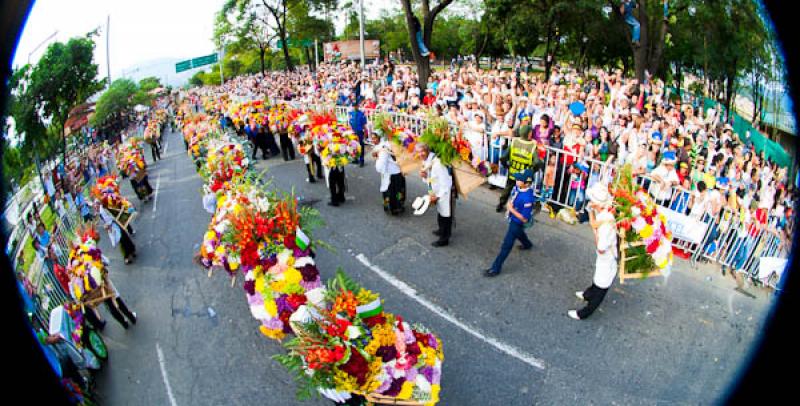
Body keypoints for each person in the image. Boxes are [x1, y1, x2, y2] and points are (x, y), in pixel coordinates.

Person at [569, 184, 618, 320]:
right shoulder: (603, 212)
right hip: (603, 259)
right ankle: (588, 294)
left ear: (598, 204)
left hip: (607, 259)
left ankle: (584, 313)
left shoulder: (606, 225)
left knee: (601, 285)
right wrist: (590, 211)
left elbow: (601, 248)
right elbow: (594, 222)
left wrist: (595, 232)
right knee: (597, 278)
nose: (589, 201)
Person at [484, 169, 535, 277]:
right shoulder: (519, 187)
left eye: (519, 179)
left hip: (516, 222)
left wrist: (511, 209)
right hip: (513, 218)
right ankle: (527, 244)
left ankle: (495, 268)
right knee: (520, 233)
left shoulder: (528, 199)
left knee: (506, 245)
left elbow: (524, 219)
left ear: (527, 183)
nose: (516, 180)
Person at [417, 142, 453, 247]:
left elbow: (446, 183)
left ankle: (444, 239)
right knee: (440, 211)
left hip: (443, 193)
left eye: (422, 151)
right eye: (418, 152)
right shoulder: (426, 162)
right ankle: (441, 230)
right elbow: (430, 179)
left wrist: (438, 196)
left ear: (428, 151)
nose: (420, 154)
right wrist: (424, 176)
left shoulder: (437, 164)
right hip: (435, 191)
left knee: (445, 214)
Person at [497, 124, 538, 212]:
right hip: (524, 176)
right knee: (523, 192)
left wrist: (507, 166)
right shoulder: (532, 146)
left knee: (507, 189)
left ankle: (500, 205)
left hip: (513, 172)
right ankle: (518, 209)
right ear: (529, 133)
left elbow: (503, 158)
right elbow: (537, 162)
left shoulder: (514, 142)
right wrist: (533, 171)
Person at [372, 132, 406, 215]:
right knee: (396, 191)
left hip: (393, 173)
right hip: (395, 173)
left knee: (393, 191)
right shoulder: (389, 146)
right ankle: (396, 207)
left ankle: (394, 207)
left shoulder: (385, 147)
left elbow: (380, 165)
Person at [94, 200, 137, 265]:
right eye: (95, 207)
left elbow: (110, 217)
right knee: (122, 240)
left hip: (115, 225)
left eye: (96, 206)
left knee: (124, 238)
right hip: (113, 227)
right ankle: (127, 257)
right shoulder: (101, 212)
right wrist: (107, 226)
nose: (95, 207)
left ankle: (131, 252)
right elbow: (106, 221)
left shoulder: (103, 209)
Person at [348, 103, 368, 167]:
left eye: (356, 106)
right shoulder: (350, 113)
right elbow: (349, 123)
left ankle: (361, 160)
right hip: (353, 132)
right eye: (353, 106)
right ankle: (355, 158)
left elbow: (364, 125)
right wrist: (350, 130)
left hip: (360, 132)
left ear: (358, 106)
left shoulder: (362, 114)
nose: (354, 107)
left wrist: (365, 133)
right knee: (353, 146)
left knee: (361, 146)